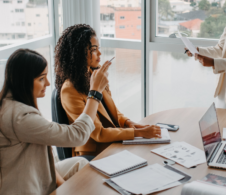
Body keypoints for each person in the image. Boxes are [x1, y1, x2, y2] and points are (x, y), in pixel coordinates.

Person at [0, 49, 111, 194]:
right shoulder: (20, 117)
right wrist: (95, 93)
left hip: (35, 170)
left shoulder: (12, 103)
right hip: (24, 188)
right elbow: (77, 135)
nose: (47, 83)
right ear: (24, 81)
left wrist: (62, 184)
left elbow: (47, 157)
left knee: (81, 163)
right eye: (41, 78)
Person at [55, 24, 161, 157]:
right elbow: (98, 134)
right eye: (93, 49)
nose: (99, 53)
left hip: (111, 143)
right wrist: (138, 133)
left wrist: (128, 123)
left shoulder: (95, 73)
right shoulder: (69, 90)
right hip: (92, 154)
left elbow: (112, 111)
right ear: (78, 53)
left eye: (98, 48)